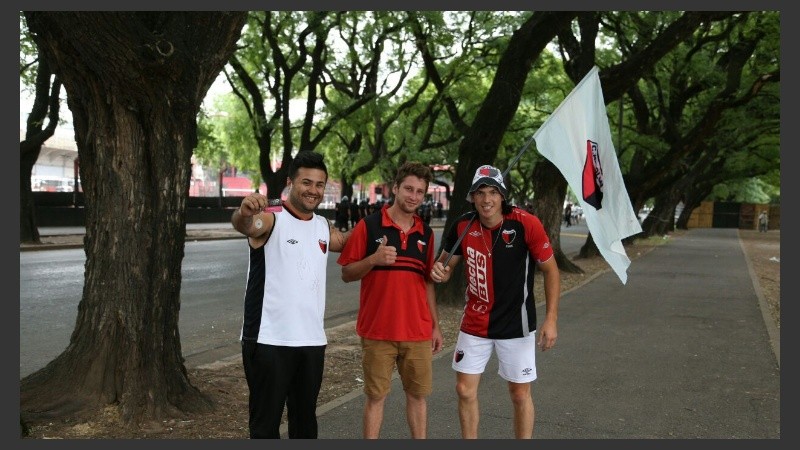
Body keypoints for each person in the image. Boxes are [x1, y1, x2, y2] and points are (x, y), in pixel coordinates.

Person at [430, 164, 560, 439]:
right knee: (464, 390)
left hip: (517, 323)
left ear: (502, 196)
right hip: (475, 321)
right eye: (480, 193)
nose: (486, 199)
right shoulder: (463, 225)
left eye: (492, 192)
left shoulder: (526, 223)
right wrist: (439, 271)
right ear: (472, 197)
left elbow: (551, 270)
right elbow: (445, 265)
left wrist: (551, 319)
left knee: (519, 393)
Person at [231, 151, 351, 439]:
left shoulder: (322, 225)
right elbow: (245, 225)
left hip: (311, 342)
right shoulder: (272, 216)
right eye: (306, 182)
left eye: (319, 184)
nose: (313, 190)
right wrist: (244, 212)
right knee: (265, 427)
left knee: (305, 425)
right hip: (269, 340)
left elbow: (348, 243)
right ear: (290, 182)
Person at [337, 161, 444, 439]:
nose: (414, 196)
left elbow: (428, 284)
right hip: (378, 331)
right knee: (375, 398)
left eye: (420, 192)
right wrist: (373, 259)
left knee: (418, 397)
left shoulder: (426, 233)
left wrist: (435, 326)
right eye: (408, 188)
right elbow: (347, 273)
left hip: (417, 332)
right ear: (395, 188)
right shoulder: (369, 226)